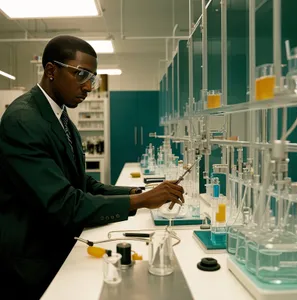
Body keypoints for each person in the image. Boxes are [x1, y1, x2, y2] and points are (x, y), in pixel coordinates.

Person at [0, 35, 184, 299]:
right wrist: (141, 201)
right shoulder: (23, 120)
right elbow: (63, 203)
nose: (89, 87)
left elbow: (82, 183)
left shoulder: (60, 117)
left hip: (55, 246)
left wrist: (137, 192)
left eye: (93, 78)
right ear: (51, 70)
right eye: (81, 75)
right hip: (30, 260)